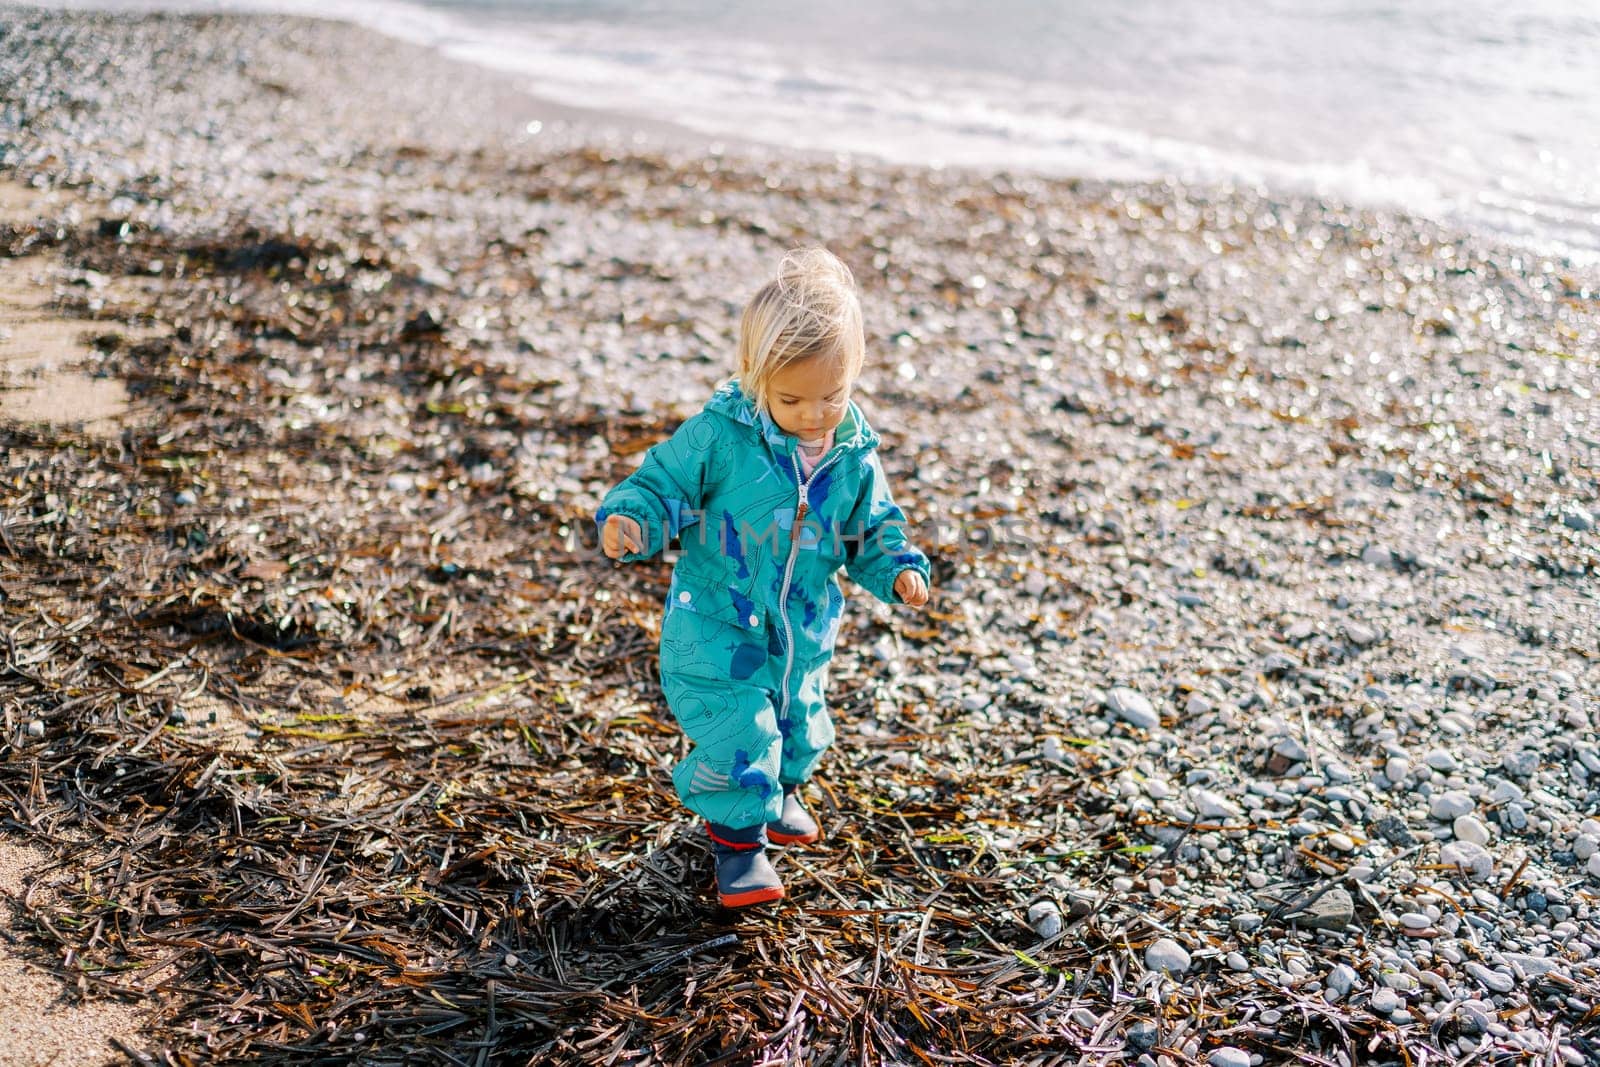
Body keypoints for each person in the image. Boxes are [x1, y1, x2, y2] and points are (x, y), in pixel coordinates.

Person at [596, 248, 931, 908]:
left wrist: (897, 569)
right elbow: (661, 483)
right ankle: (739, 847)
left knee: (799, 717)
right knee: (741, 730)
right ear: (755, 378)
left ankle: (785, 790)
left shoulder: (853, 456)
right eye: (792, 398)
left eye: (832, 395)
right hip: (718, 626)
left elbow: (872, 528)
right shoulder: (720, 438)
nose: (814, 413)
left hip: (802, 625)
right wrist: (632, 519)